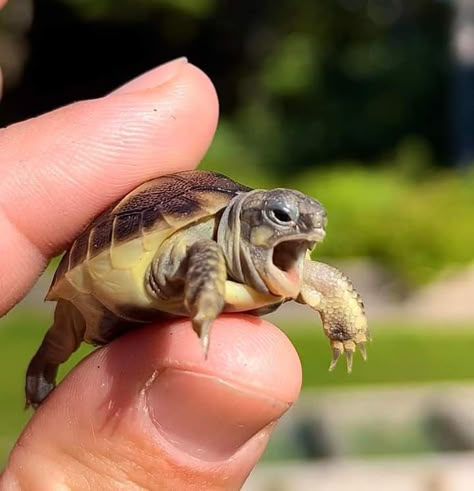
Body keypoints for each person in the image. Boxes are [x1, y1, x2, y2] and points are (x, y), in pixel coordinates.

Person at [0, 13, 302, 489]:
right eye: (282, 218)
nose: (302, 230)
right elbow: (203, 257)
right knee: (64, 335)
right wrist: (205, 299)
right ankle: (41, 367)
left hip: (160, 298)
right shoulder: (209, 241)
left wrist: (344, 319)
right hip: (119, 272)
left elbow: (318, 279)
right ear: (250, 217)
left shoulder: (267, 260)